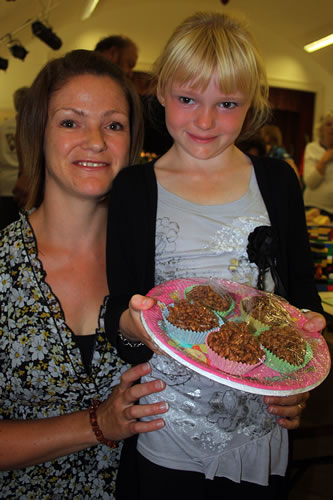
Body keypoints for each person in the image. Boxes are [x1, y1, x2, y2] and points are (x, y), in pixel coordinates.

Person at [105, 12, 325, 500]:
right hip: (167, 424)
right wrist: (133, 323)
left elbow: (301, 297)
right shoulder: (134, 190)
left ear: (251, 106)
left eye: (227, 103)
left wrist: (299, 375)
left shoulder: (277, 182)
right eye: (188, 99)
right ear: (161, 92)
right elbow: (117, 304)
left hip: (261, 424)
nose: (205, 121)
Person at [0, 49, 169, 499]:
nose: (95, 140)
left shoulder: (158, 265)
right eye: (71, 121)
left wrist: (265, 394)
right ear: (38, 131)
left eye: (113, 124)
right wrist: (96, 424)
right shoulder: (2, 265)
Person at [0, 86, 29, 229]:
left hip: (4, 183)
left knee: (5, 227)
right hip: (25, 183)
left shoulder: (3, 126)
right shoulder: (29, 126)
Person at [303, 110, 333, 220]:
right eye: (328, 124)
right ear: (321, 129)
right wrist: (324, 160)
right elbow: (310, 182)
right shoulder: (312, 148)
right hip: (314, 209)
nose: (332, 128)